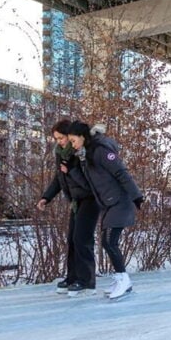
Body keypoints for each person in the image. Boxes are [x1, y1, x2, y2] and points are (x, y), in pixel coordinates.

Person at [67, 121, 144, 299]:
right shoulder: (86, 155)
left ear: (82, 136)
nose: (73, 144)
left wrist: (136, 196)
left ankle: (124, 280)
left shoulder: (101, 150)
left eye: (73, 140)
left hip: (121, 201)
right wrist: (72, 170)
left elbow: (121, 172)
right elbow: (89, 185)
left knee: (110, 241)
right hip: (109, 204)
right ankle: (120, 278)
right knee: (107, 241)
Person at [36, 119, 100, 296]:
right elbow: (59, 178)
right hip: (76, 201)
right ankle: (72, 277)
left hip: (90, 199)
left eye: (62, 138)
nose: (59, 142)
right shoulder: (61, 153)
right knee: (72, 239)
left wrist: (71, 169)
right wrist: (46, 197)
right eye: (56, 139)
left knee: (82, 239)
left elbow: (89, 184)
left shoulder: (81, 152)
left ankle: (87, 281)